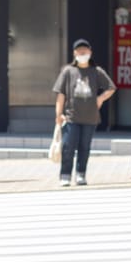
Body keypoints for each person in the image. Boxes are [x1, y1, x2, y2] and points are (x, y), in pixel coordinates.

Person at [52, 39, 116, 186]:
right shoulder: (68, 71)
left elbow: (111, 87)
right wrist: (58, 114)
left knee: (84, 147)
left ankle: (81, 174)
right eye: (79, 51)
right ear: (74, 53)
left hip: (91, 117)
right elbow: (60, 94)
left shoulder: (96, 71)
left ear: (90, 52)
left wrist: (100, 99)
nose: (82, 53)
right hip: (71, 116)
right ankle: (65, 175)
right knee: (68, 146)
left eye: (85, 50)